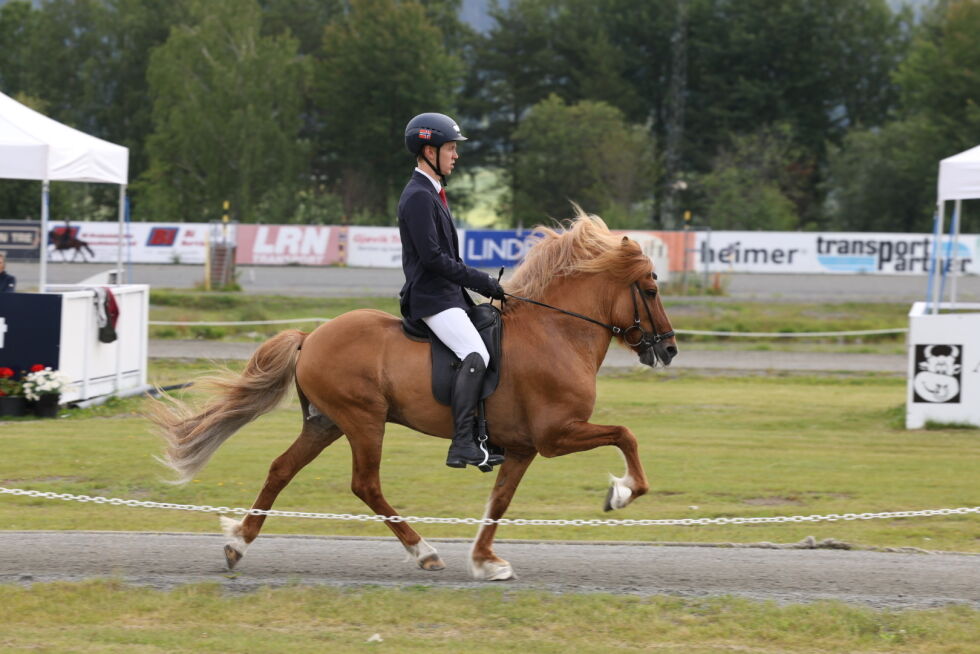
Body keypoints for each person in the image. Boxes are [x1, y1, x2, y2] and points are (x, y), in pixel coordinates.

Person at [398, 112, 506, 470]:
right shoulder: (417, 197)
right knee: (476, 352)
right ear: (428, 151)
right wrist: (484, 282)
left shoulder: (433, 194)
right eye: (449, 148)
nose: (455, 155)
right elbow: (433, 259)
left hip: (448, 295)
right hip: (431, 298)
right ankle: (463, 443)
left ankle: (489, 432)